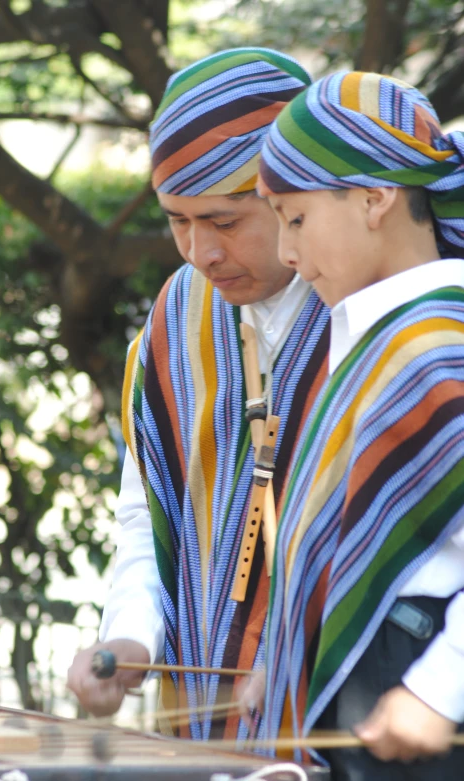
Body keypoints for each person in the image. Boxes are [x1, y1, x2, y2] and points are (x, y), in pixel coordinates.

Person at [67, 48, 331, 741]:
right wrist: (129, 637)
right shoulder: (176, 317)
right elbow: (145, 510)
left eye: (222, 221)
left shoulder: (376, 308)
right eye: (176, 221)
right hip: (209, 730)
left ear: (292, 194)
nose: (197, 253)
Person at [251, 71, 464, 779]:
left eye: (296, 218)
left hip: (417, 668)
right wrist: (293, 661)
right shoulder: (374, 335)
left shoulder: (439, 344)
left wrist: (437, 691)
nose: (285, 252)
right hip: (375, 676)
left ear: (375, 198)